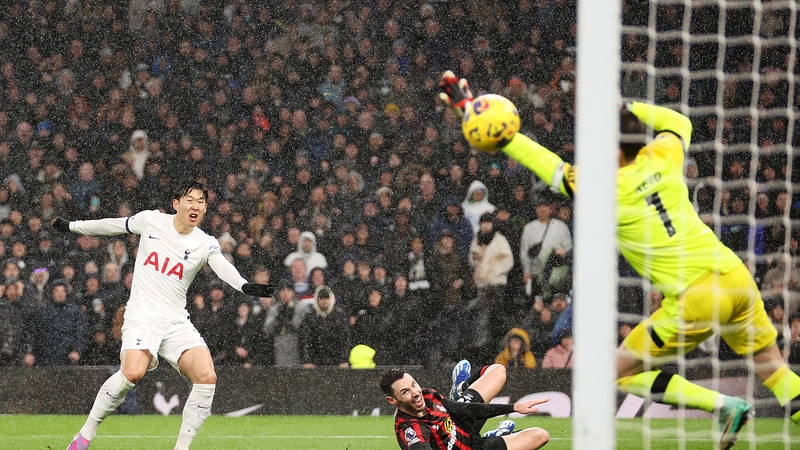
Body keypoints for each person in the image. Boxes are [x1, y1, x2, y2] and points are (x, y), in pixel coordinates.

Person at [439, 71, 800, 449]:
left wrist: (470, 109)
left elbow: (541, 160)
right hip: (735, 276)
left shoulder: (602, 187)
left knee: (611, 374)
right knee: (774, 372)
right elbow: (678, 122)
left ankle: (723, 404)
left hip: (695, 298)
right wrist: (625, 109)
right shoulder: (663, 155)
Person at [53, 180, 273, 450]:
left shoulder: (205, 242)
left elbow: (222, 267)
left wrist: (245, 286)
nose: (196, 205)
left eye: (201, 201)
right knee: (132, 374)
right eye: (190, 199)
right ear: (176, 204)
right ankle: (84, 436)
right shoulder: (151, 221)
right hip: (142, 316)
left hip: (176, 321)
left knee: (207, 377)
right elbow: (111, 225)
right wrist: (71, 226)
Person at [380, 361, 550, 450]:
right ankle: (497, 435)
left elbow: (465, 410)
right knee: (541, 435)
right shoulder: (411, 430)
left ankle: (460, 391)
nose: (416, 392)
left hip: (462, 424)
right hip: (475, 448)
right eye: (405, 392)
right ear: (392, 400)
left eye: (414, 384)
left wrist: (513, 408)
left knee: (498, 370)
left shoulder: (428, 395)